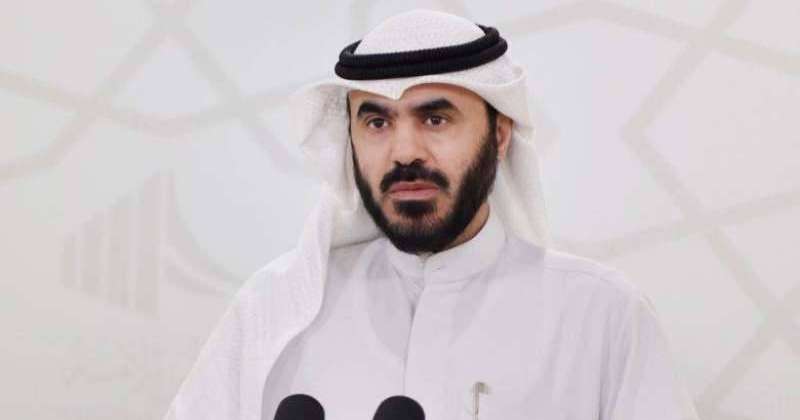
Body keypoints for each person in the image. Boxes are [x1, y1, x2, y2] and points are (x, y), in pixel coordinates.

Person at [164, 10, 699, 420]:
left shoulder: (600, 317)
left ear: (499, 135)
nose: (404, 152)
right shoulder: (273, 308)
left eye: (435, 118)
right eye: (377, 123)